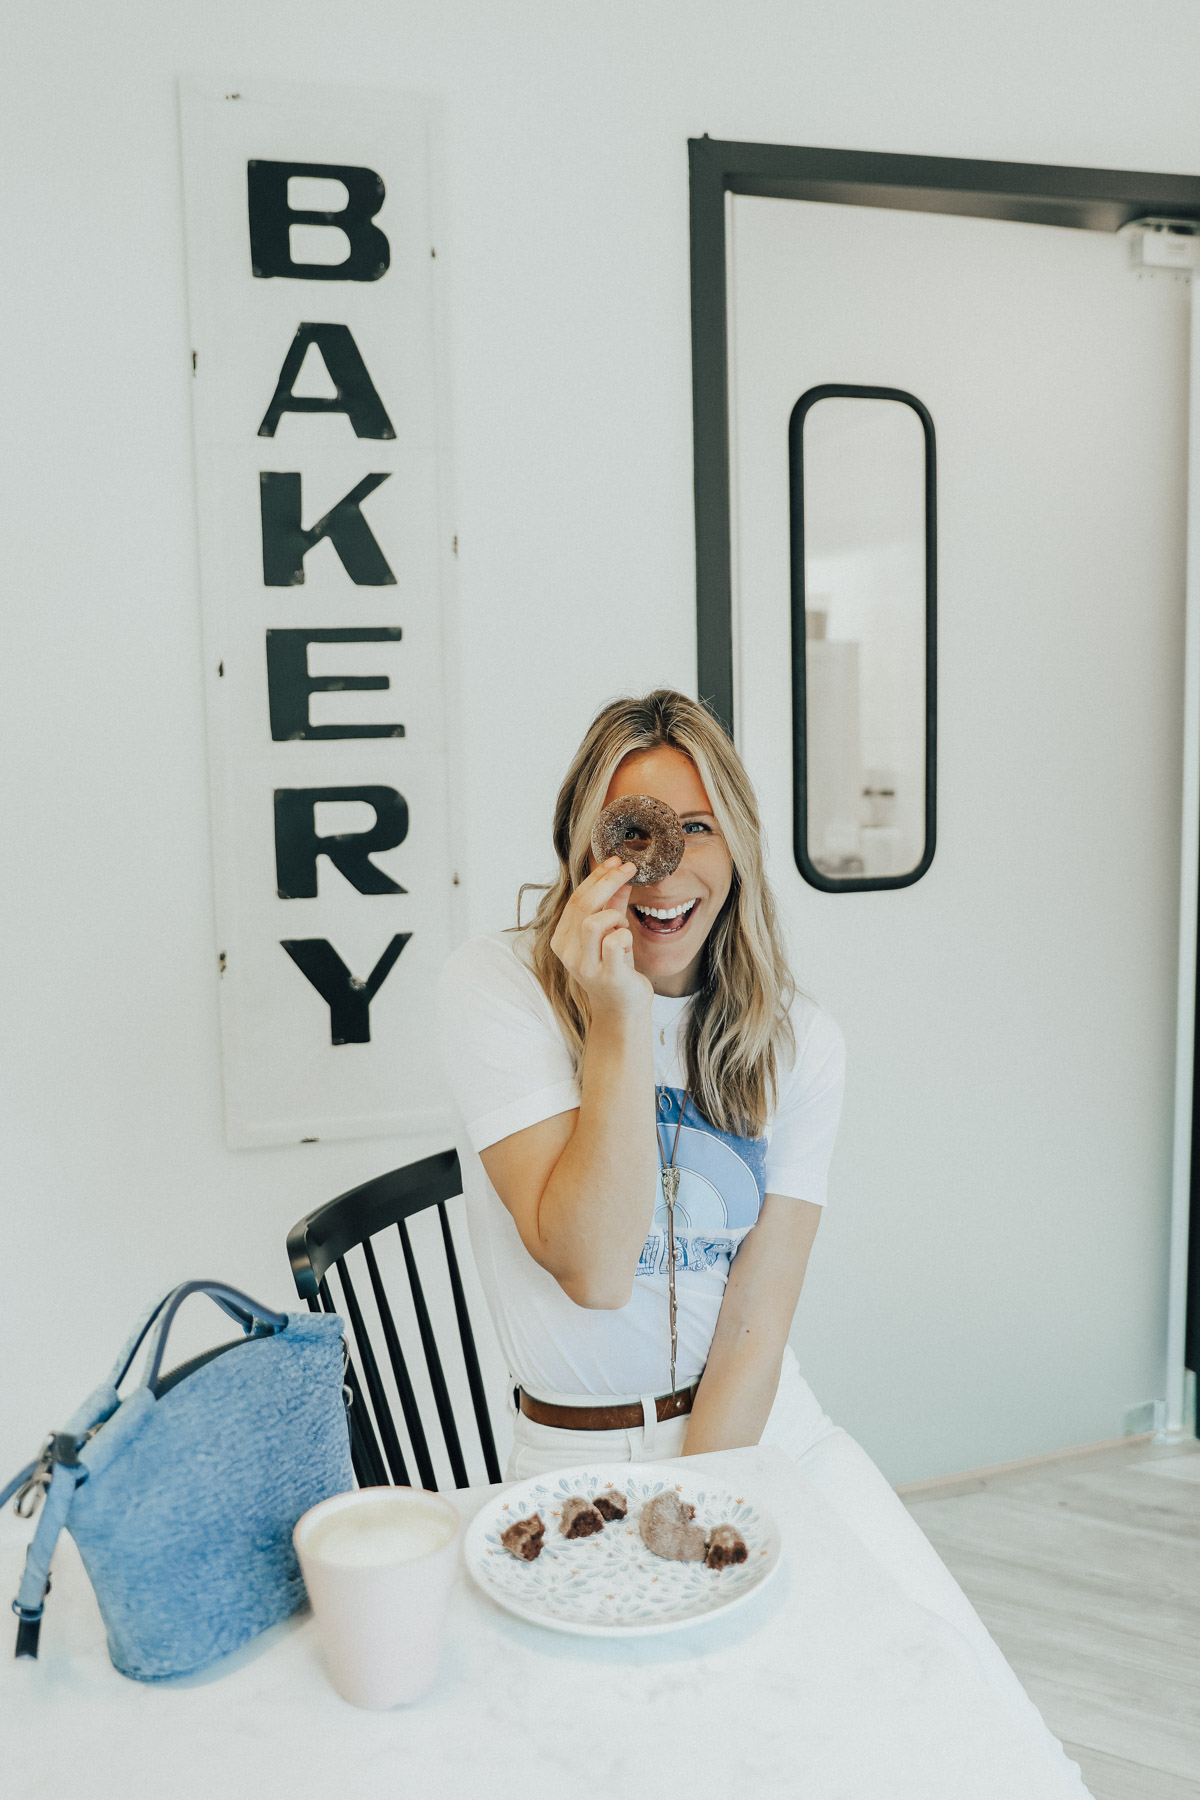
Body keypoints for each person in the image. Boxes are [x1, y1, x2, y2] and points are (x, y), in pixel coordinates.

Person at [437, 688, 1087, 1787]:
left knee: (959, 1700)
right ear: (580, 843)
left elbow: (753, 1319)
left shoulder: (799, 1042)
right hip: (578, 1461)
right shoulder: (498, 989)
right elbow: (593, 1265)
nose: (667, 867)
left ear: (736, 847)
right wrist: (617, 1016)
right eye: (633, 830)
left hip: (769, 1432)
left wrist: (698, 1516)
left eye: (698, 830)